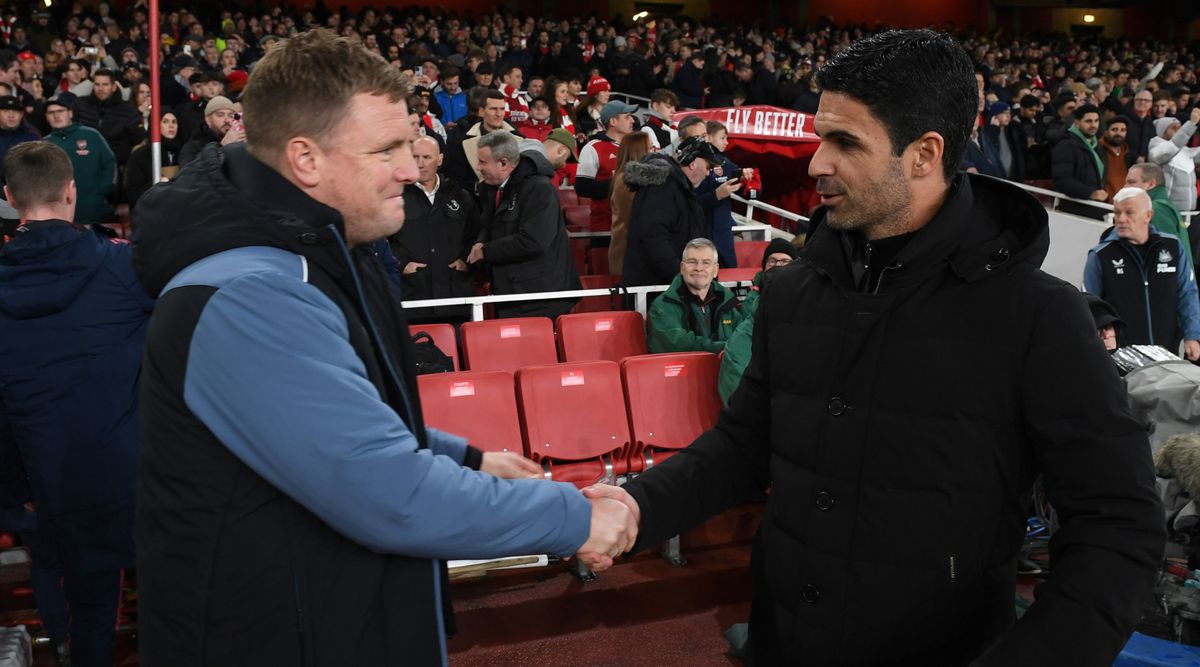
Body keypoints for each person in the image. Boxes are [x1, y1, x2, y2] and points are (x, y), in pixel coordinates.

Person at [586, 30, 1164, 666]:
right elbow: (743, 446)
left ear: (924, 154)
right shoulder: (793, 292)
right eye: (819, 137)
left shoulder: (1039, 314)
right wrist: (641, 503)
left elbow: (1118, 526)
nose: (815, 164)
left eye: (845, 143)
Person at [132, 30, 633, 665]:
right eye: (387, 149)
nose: (410, 166)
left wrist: (468, 458)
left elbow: (349, 420)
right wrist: (573, 517)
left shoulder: (326, 250)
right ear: (306, 159)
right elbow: (387, 492)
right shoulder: (249, 295)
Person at [0, 141, 153, 667]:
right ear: (71, 191)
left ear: (9, 198)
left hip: (46, 481)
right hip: (132, 474)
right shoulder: (123, 267)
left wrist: (17, 490)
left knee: (88, 612)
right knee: (164, 603)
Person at [468, 130, 580, 319]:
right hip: (512, 293)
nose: (478, 167)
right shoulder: (491, 189)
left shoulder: (539, 188)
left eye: (483, 162)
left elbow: (534, 240)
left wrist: (486, 251)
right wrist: (480, 243)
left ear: (503, 163)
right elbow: (487, 225)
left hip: (542, 297)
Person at [1084, 186, 1200, 358]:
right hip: (1121, 357)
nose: (1121, 219)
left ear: (1148, 216)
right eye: (1117, 212)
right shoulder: (1101, 255)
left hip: (1167, 352)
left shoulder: (1172, 247)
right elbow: (1089, 304)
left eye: (1129, 212)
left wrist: (1193, 335)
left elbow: (1187, 294)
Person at [392, 135, 478, 321]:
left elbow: (474, 234)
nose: (420, 164)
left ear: (439, 159)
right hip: (414, 296)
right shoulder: (394, 196)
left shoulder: (461, 195)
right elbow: (383, 239)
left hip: (455, 295)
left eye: (427, 157)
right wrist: (402, 263)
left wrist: (465, 260)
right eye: (415, 157)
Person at [621, 136, 715, 286]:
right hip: (657, 287)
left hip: (666, 285)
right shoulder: (663, 187)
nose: (708, 173)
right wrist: (680, 277)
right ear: (693, 163)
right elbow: (654, 236)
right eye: (708, 166)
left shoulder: (677, 186)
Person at [717, 238, 797, 402]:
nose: (778, 265)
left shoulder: (807, 324)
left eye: (785, 261)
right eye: (772, 261)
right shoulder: (743, 338)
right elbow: (737, 397)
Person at [646, 237, 746, 354]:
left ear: (715, 270)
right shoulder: (662, 307)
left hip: (725, 370)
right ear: (682, 268)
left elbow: (744, 340)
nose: (699, 268)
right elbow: (676, 344)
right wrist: (724, 348)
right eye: (692, 262)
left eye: (706, 263)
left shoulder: (728, 303)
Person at [43, 92, 115, 226]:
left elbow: (110, 164)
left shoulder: (91, 135)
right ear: (46, 117)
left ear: (70, 113)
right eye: (51, 112)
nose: (56, 115)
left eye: (60, 111)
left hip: (94, 211)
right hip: (59, 214)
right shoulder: (43, 144)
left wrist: (101, 192)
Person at [576, 99, 636, 231]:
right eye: (627, 117)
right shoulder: (593, 147)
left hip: (633, 224)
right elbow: (582, 187)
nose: (633, 121)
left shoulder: (634, 146)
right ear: (613, 121)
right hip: (605, 225)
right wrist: (621, 182)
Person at [695, 120, 744, 267]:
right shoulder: (695, 163)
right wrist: (716, 196)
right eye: (723, 138)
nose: (727, 142)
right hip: (702, 233)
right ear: (708, 137)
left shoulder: (726, 163)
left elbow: (742, 187)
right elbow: (692, 202)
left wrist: (747, 177)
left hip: (723, 234)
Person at [443, 88, 514, 189]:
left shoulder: (517, 138)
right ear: (481, 111)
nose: (499, 114)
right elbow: (454, 176)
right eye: (493, 109)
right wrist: (476, 187)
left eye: (502, 109)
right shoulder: (461, 139)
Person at [72, 67, 144, 166]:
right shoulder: (80, 105)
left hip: (115, 164)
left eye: (105, 84)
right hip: (82, 161)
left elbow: (139, 139)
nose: (100, 89)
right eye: (97, 84)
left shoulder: (128, 110)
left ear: (114, 87)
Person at [1126, 162, 1190, 268]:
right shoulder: (1162, 205)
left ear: (1151, 184)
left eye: (1131, 182)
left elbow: (1168, 255)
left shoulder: (1156, 209)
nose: (1125, 187)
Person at [1051, 104, 1109, 219]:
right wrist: (1090, 193)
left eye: (1096, 121)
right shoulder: (1066, 146)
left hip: (1094, 207)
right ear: (1077, 122)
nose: (1093, 125)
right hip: (1074, 209)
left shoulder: (1097, 146)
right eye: (1088, 121)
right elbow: (1062, 179)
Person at [608, 132, 652, 276]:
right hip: (628, 254)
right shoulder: (625, 180)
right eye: (650, 148)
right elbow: (633, 216)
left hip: (637, 253)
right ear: (639, 151)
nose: (654, 152)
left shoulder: (632, 178)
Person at [124, 111, 182, 212]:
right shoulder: (140, 155)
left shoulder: (184, 152)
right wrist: (156, 183)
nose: (171, 126)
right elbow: (133, 193)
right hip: (149, 211)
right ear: (155, 124)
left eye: (174, 122)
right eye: (165, 121)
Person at [1148, 109, 1200, 212]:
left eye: (1179, 128)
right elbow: (1172, 147)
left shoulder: (1186, 151)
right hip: (1167, 209)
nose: (1178, 131)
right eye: (1174, 128)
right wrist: (1191, 124)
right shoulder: (1156, 149)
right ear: (1163, 132)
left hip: (1189, 211)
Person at [178, 95, 243, 166]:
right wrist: (222, 147)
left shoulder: (240, 144)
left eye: (231, 115)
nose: (227, 120)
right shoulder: (193, 147)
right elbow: (191, 173)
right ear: (208, 120)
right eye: (220, 115)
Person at [0, 95, 39, 175]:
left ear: (21, 115)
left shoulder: (32, 136)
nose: (11, 115)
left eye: (16, 111)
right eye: (6, 111)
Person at [1101, 115, 1131, 200]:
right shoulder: (1098, 151)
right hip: (1102, 203)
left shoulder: (1128, 154)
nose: (1119, 133)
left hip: (1123, 203)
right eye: (1114, 130)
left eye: (1123, 130)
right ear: (1106, 132)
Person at [641, 88, 679, 152]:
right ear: (655, 106)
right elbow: (655, 156)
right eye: (668, 107)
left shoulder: (673, 128)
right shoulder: (647, 129)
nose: (674, 111)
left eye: (674, 108)